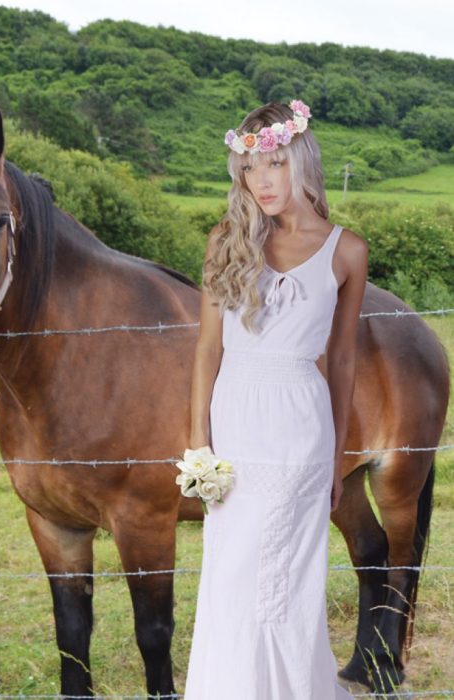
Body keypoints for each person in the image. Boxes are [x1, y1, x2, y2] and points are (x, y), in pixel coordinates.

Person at [183, 100, 368, 699]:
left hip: (301, 433)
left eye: (275, 164)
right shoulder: (227, 239)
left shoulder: (347, 251)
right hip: (235, 426)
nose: (261, 180)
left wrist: (339, 453)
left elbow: (340, 359)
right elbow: (208, 350)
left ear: (301, 161)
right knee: (231, 575)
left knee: (289, 584)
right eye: (249, 167)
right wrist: (198, 444)